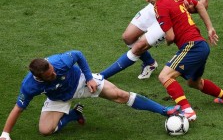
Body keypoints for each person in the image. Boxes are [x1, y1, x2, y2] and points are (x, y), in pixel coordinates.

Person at [0, 50, 180, 140]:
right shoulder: (29, 86)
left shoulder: (59, 62)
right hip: (58, 97)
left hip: (80, 82)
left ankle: (165, 110)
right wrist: (5, 134)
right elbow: (18, 108)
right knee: (45, 131)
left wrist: (89, 78)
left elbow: (78, 54)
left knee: (120, 95)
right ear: (39, 78)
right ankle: (73, 115)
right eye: (50, 76)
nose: (54, 73)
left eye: (53, 71)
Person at [137, 0, 223, 122]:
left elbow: (170, 37)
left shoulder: (160, 6)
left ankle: (188, 111)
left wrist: (164, 40)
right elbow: (198, 5)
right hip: (202, 45)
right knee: (194, 82)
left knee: (164, 76)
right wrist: (210, 28)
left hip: (192, 46)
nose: (147, 0)